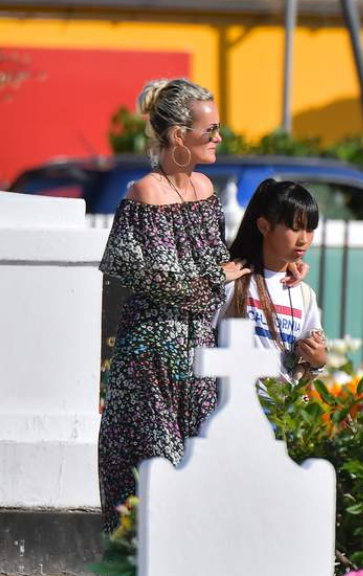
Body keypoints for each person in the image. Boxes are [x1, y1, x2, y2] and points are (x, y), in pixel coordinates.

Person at [96, 78, 251, 532]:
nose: (219, 138)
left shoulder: (205, 191)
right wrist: (213, 278)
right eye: (211, 130)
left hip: (199, 355)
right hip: (150, 364)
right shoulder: (143, 193)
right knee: (156, 473)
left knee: (198, 468)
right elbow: (153, 280)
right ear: (179, 136)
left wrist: (279, 270)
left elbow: (223, 266)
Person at [216, 179, 327, 382]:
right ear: (264, 226)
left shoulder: (304, 294)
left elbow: (305, 367)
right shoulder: (235, 282)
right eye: (295, 228)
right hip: (234, 408)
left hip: (281, 411)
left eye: (310, 229)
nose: (304, 239)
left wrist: (318, 361)